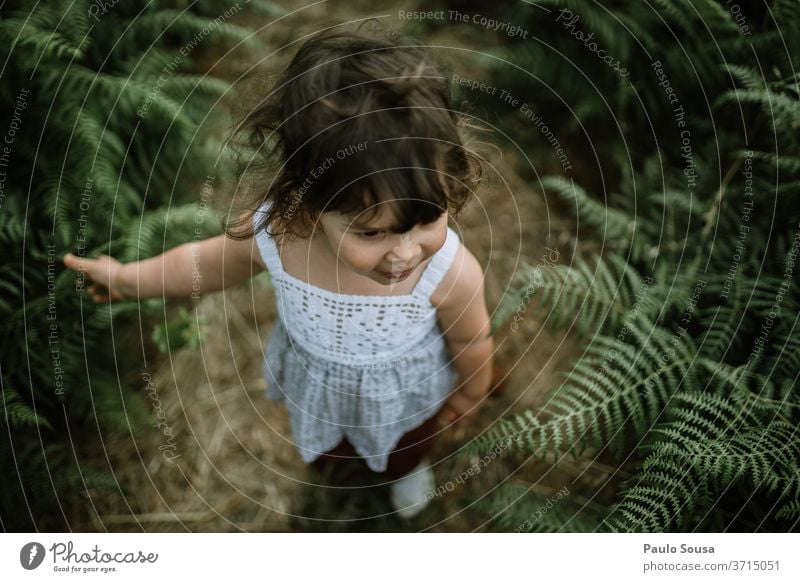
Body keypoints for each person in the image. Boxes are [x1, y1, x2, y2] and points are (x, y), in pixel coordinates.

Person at [63, 25, 495, 520]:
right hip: (317, 385)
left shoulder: (448, 270)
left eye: (426, 221)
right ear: (308, 203)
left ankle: (405, 470)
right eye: (370, 234)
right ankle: (336, 461)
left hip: (405, 398)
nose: (403, 254)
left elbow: (470, 340)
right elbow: (205, 263)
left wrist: (470, 389)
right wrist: (126, 279)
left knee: (406, 442)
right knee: (330, 446)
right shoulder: (279, 235)